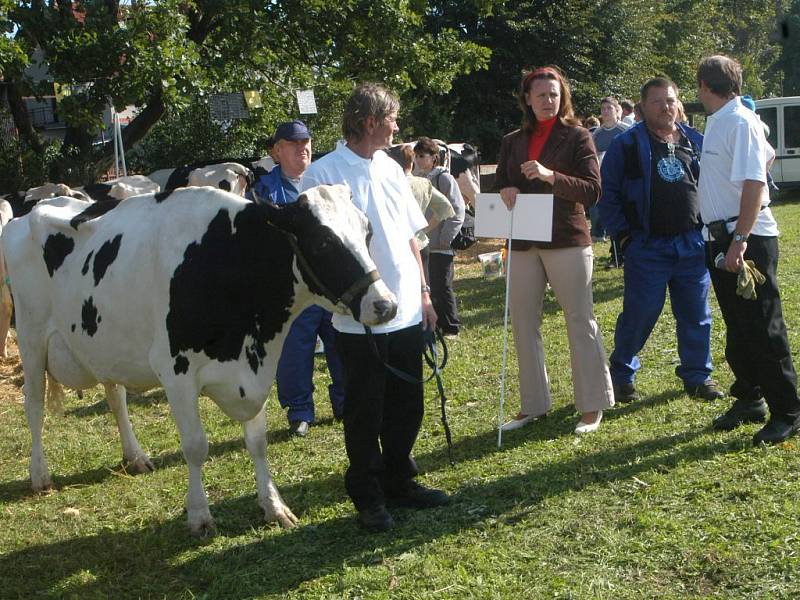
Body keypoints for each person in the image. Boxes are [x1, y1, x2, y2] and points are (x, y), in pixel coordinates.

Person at [301, 83, 449, 532]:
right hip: (359, 319)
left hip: (405, 308)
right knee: (366, 409)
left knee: (408, 403)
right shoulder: (324, 174)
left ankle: (400, 479)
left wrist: (424, 293)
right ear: (369, 121)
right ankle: (367, 494)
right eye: (391, 119)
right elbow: (319, 252)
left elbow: (410, 236)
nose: (397, 127)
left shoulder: (389, 166)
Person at [496, 66, 614, 435]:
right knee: (523, 324)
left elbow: (592, 190)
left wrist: (551, 177)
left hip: (566, 239)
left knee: (580, 320)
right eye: (541, 95)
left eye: (554, 95)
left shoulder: (578, 137)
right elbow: (501, 182)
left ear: (563, 98)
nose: (548, 101)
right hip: (523, 243)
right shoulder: (511, 141)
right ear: (527, 100)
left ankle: (592, 405)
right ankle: (534, 404)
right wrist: (506, 191)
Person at [598, 77, 723, 404]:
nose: (666, 107)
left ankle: (698, 376)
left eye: (670, 100)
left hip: (691, 244)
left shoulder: (696, 140)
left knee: (696, 314)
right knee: (641, 313)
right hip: (646, 246)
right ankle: (622, 374)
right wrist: (624, 238)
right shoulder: (625, 145)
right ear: (642, 107)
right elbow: (606, 194)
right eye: (657, 101)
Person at [696, 55, 800, 444]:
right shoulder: (732, 119)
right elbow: (768, 155)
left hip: (745, 238)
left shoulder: (737, 121)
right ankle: (749, 397)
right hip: (725, 236)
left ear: (705, 86)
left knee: (762, 326)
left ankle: (788, 411)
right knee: (740, 326)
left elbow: (756, 183)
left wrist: (740, 239)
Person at [249, 120, 346, 437]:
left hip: (330, 283)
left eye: (306, 142)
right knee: (295, 350)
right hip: (292, 289)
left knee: (341, 342)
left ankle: (345, 401)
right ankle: (300, 412)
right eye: (292, 143)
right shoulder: (263, 191)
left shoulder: (327, 181)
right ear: (276, 151)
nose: (302, 148)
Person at [413, 136, 466, 338]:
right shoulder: (417, 179)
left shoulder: (444, 178)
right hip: (424, 245)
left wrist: (445, 238)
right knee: (429, 287)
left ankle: (451, 327)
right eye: (416, 156)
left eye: (422, 156)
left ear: (434, 158)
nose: (418, 160)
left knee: (443, 287)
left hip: (441, 245)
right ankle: (434, 326)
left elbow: (457, 210)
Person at [387, 144, 455, 284]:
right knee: (422, 289)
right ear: (411, 163)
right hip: (420, 244)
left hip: (394, 247)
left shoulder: (386, 184)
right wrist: (425, 228)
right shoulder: (423, 183)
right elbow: (445, 207)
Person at [590, 97, 629, 243]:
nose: (605, 111)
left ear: (616, 110)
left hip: (623, 178)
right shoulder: (596, 134)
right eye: (603, 109)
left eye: (609, 108)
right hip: (603, 177)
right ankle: (598, 233)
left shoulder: (626, 130)